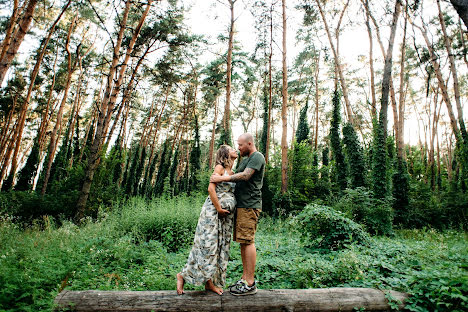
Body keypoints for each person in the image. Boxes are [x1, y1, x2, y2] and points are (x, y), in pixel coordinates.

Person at [177, 145, 238, 295]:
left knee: (220, 248)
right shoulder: (219, 168)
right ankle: (183, 276)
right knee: (207, 246)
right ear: (225, 154)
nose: (235, 150)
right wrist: (218, 208)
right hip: (213, 213)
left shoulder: (233, 172)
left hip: (225, 218)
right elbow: (211, 189)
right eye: (231, 148)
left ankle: (210, 282)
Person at [210, 133, 265, 296]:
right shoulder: (244, 159)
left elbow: (246, 176)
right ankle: (244, 278)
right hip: (242, 206)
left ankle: (250, 282)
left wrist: (221, 179)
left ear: (249, 143)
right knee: (243, 241)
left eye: (240, 145)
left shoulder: (257, 157)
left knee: (248, 241)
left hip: (250, 205)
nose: (238, 147)